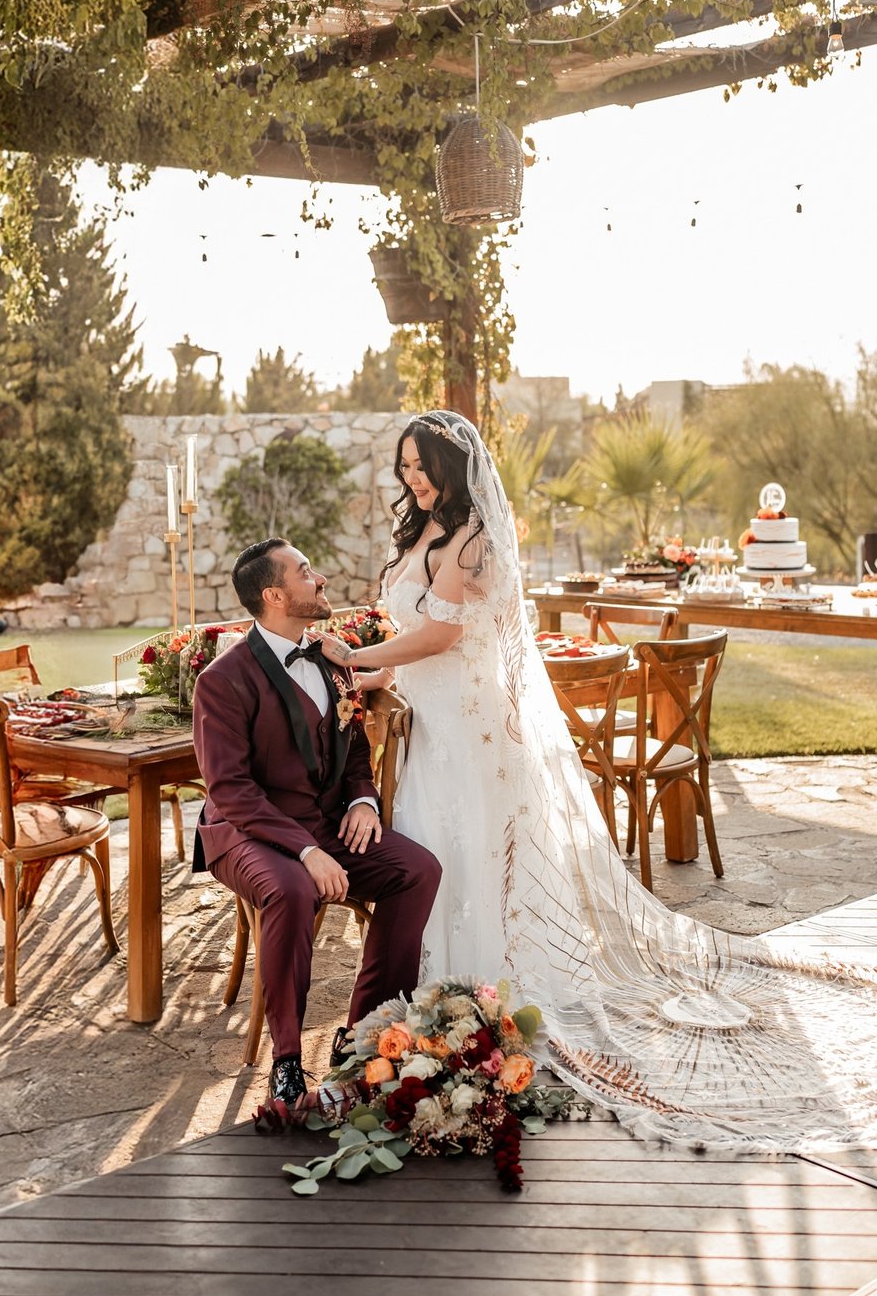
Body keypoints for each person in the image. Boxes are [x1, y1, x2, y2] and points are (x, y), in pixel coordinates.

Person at [314, 411, 877, 1154]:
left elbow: (443, 636)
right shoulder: (422, 533)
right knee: (433, 850)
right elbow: (417, 650)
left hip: (474, 731)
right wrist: (375, 671)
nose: (412, 480)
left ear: (453, 468)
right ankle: (437, 987)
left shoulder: (475, 540)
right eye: (405, 468)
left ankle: (484, 990)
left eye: (423, 467)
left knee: (472, 849)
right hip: (434, 728)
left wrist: (353, 659)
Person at [191, 537, 442, 1106]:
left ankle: (363, 1036)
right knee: (290, 890)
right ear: (275, 594)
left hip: (329, 823)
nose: (321, 578)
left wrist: (361, 802)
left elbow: (355, 755)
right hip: (248, 832)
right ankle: (285, 1061)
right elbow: (230, 790)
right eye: (307, 572)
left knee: (418, 869)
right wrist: (306, 851)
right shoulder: (222, 681)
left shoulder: (332, 660)